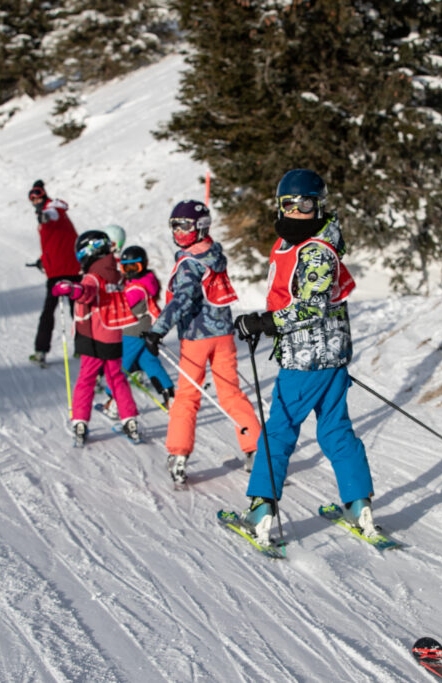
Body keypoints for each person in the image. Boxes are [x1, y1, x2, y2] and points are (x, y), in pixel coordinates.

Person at [232, 168, 376, 547]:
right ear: (279, 206)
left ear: (319, 206)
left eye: (306, 204)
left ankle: (261, 512)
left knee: (278, 430)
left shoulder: (317, 251)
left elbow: (311, 308)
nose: (297, 211)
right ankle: (359, 507)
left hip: (306, 361)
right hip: (327, 358)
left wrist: (263, 322)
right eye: (289, 204)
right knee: (334, 429)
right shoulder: (291, 244)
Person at [144, 200, 260, 485]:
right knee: (230, 393)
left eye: (184, 225)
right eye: (175, 226)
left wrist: (157, 330)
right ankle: (256, 448)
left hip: (197, 338)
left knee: (187, 397)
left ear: (200, 227)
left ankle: (179, 454)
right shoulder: (213, 253)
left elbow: (182, 300)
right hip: (223, 336)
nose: (179, 231)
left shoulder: (188, 263)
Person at [51, 230, 140, 446]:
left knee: (87, 379)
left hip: (91, 334)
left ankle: (80, 421)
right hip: (113, 335)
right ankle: (129, 419)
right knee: (116, 377)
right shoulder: (116, 273)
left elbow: (87, 291)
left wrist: (72, 289)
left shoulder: (93, 275)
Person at [99, 245, 175, 416]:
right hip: (147, 329)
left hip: (133, 331)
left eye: (135, 267)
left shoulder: (136, 289)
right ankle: (170, 396)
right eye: (127, 267)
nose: (130, 271)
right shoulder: (148, 280)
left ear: (144, 265)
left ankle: (113, 400)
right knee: (148, 361)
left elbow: (120, 306)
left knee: (121, 365)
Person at [28, 179, 80, 367]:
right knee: (76, 310)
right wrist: (44, 260)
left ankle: (42, 350)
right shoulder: (50, 213)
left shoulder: (53, 209)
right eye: (32, 198)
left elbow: (53, 214)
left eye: (38, 195)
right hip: (64, 268)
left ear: (44, 195)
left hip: (62, 273)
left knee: (62, 311)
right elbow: (54, 243)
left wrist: (45, 216)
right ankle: (82, 347)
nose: (35, 200)